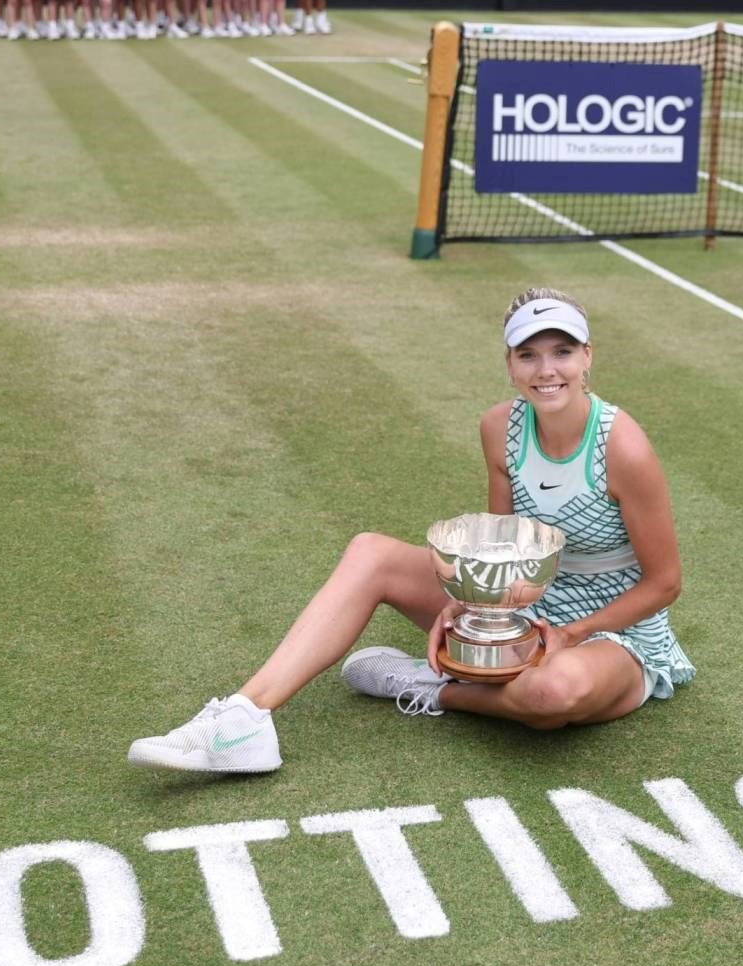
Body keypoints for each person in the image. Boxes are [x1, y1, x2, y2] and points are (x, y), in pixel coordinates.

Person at [127, 288, 695, 774]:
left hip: (613, 632)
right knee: (370, 552)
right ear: (510, 364)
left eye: (562, 352)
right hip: (528, 607)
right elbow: (502, 546)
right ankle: (245, 717)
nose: (547, 370)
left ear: (587, 356)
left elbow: (664, 583)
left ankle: (432, 687)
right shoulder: (500, 426)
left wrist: (571, 634)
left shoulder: (622, 446)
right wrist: (465, 605)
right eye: (529, 355)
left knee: (549, 694)